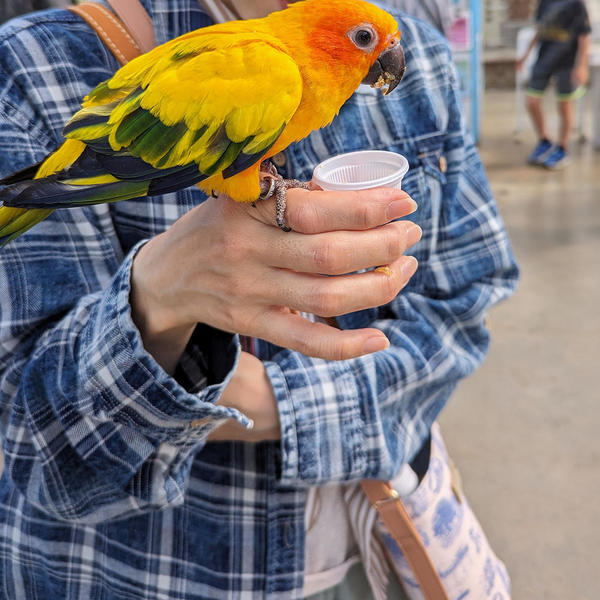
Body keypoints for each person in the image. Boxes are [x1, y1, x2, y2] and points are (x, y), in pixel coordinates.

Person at [0, 1, 518, 598]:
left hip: (374, 550)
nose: (385, 54)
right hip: (151, 576)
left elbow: (467, 302)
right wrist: (156, 302)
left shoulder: (421, 58)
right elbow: (35, 449)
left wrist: (271, 401)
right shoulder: (37, 64)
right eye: (364, 38)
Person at [517, 0, 592, 169]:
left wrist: (582, 65)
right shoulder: (543, 3)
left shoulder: (577, 4)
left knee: (564, 105)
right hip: (544, 59)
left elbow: (584, 35)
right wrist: (525, 55)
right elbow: (539, 30)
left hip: (567, 62)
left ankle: (562, 148)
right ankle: (544, 141)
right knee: (532, 102)